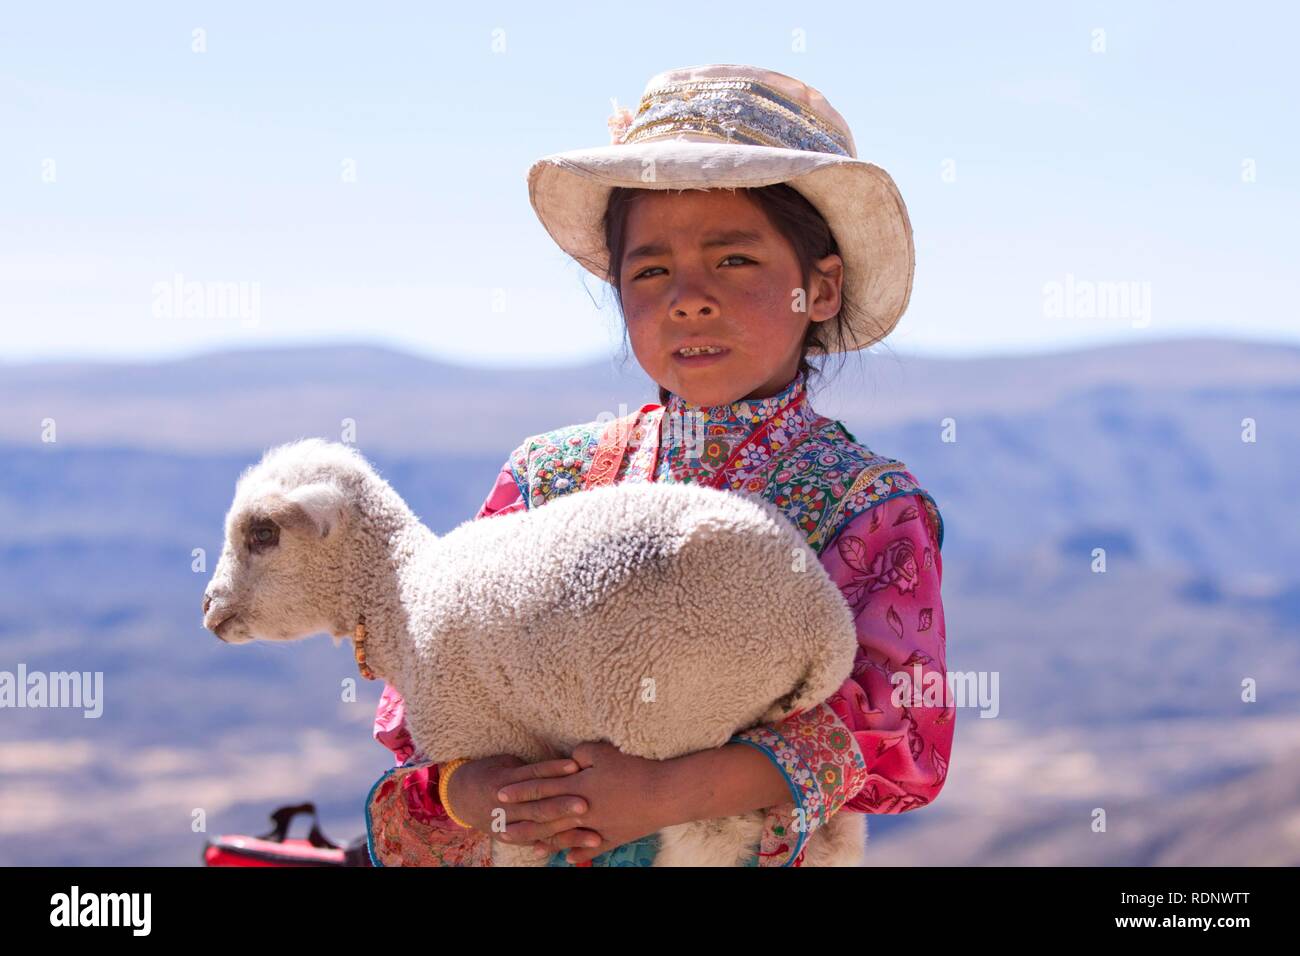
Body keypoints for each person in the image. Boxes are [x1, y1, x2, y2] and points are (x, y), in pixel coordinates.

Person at [364, 63, 952, 867]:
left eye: (734, 260)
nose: (688, 297)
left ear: (821, 287)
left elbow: (902, 737)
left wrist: (667, 794)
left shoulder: (867, 508)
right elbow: (428, 690)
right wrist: (477, 792)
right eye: (649, 270)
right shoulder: (548, 480)